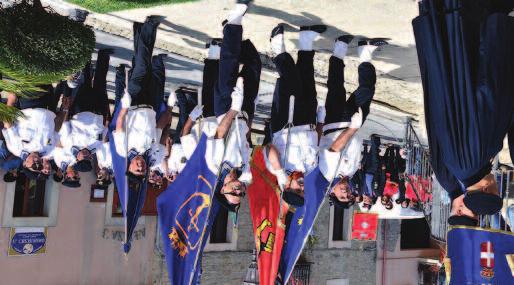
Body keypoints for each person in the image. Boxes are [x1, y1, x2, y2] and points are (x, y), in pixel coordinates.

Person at [414, 1, 514, 226]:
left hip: (477, 54)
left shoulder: (475, 158)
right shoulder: (468, 165)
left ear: (488, 188)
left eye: (497, 189)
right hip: (459, 67)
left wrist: (499, 38)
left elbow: (488, 96)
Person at [114, 16, 174, 188]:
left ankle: (150, 26)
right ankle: (139, 29)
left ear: (129, 167)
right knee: (141, 63)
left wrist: (124, 107)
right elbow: (160, 128)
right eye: (142, 169)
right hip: (151, 105)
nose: (140, 166)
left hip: (133, 102)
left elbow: (119, 125)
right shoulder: (152, 153)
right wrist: (169, 107)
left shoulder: (122, 149)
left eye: (136, 169)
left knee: (142, 66)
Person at [55, 49, 113, 187]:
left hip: (80, 110)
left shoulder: (70, 145)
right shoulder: (96, 148)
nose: (86, 156)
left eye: (83, 158)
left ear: (78, 159)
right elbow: (104, 134)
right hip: (98, 111)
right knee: (100, 83)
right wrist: (106, 120)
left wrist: (66, 109)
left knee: (85, 80)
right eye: (88, 159)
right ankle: (103, 56)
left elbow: (65, 125)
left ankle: (84, 53)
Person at [1, 85, 62, 181]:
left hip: (28, 102)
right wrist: (65, 109)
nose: (37, 164)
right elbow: (57, 130)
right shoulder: (49, 150)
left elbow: (8, 124)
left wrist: (11, 100)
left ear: (25, 164)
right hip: (48, 105)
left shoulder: (16, 148)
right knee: (46, 74)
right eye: (39, 167)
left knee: (31, 73)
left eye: (34, 166)